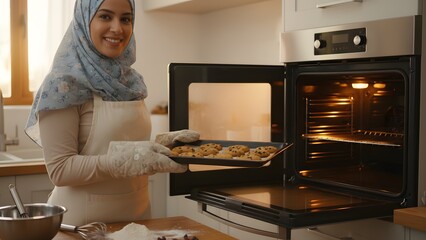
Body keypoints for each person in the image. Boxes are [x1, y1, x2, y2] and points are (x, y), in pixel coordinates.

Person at [25, 0, 199, 226]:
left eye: (125, 19)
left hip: (138, 219)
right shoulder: (63, 84)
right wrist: (123, 161)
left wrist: (163, 145)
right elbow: (60, 169)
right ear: (84, 20)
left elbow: (125, 144)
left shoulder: (130, 81)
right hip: (83, 227)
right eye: (105, 16)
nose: (118, 28)